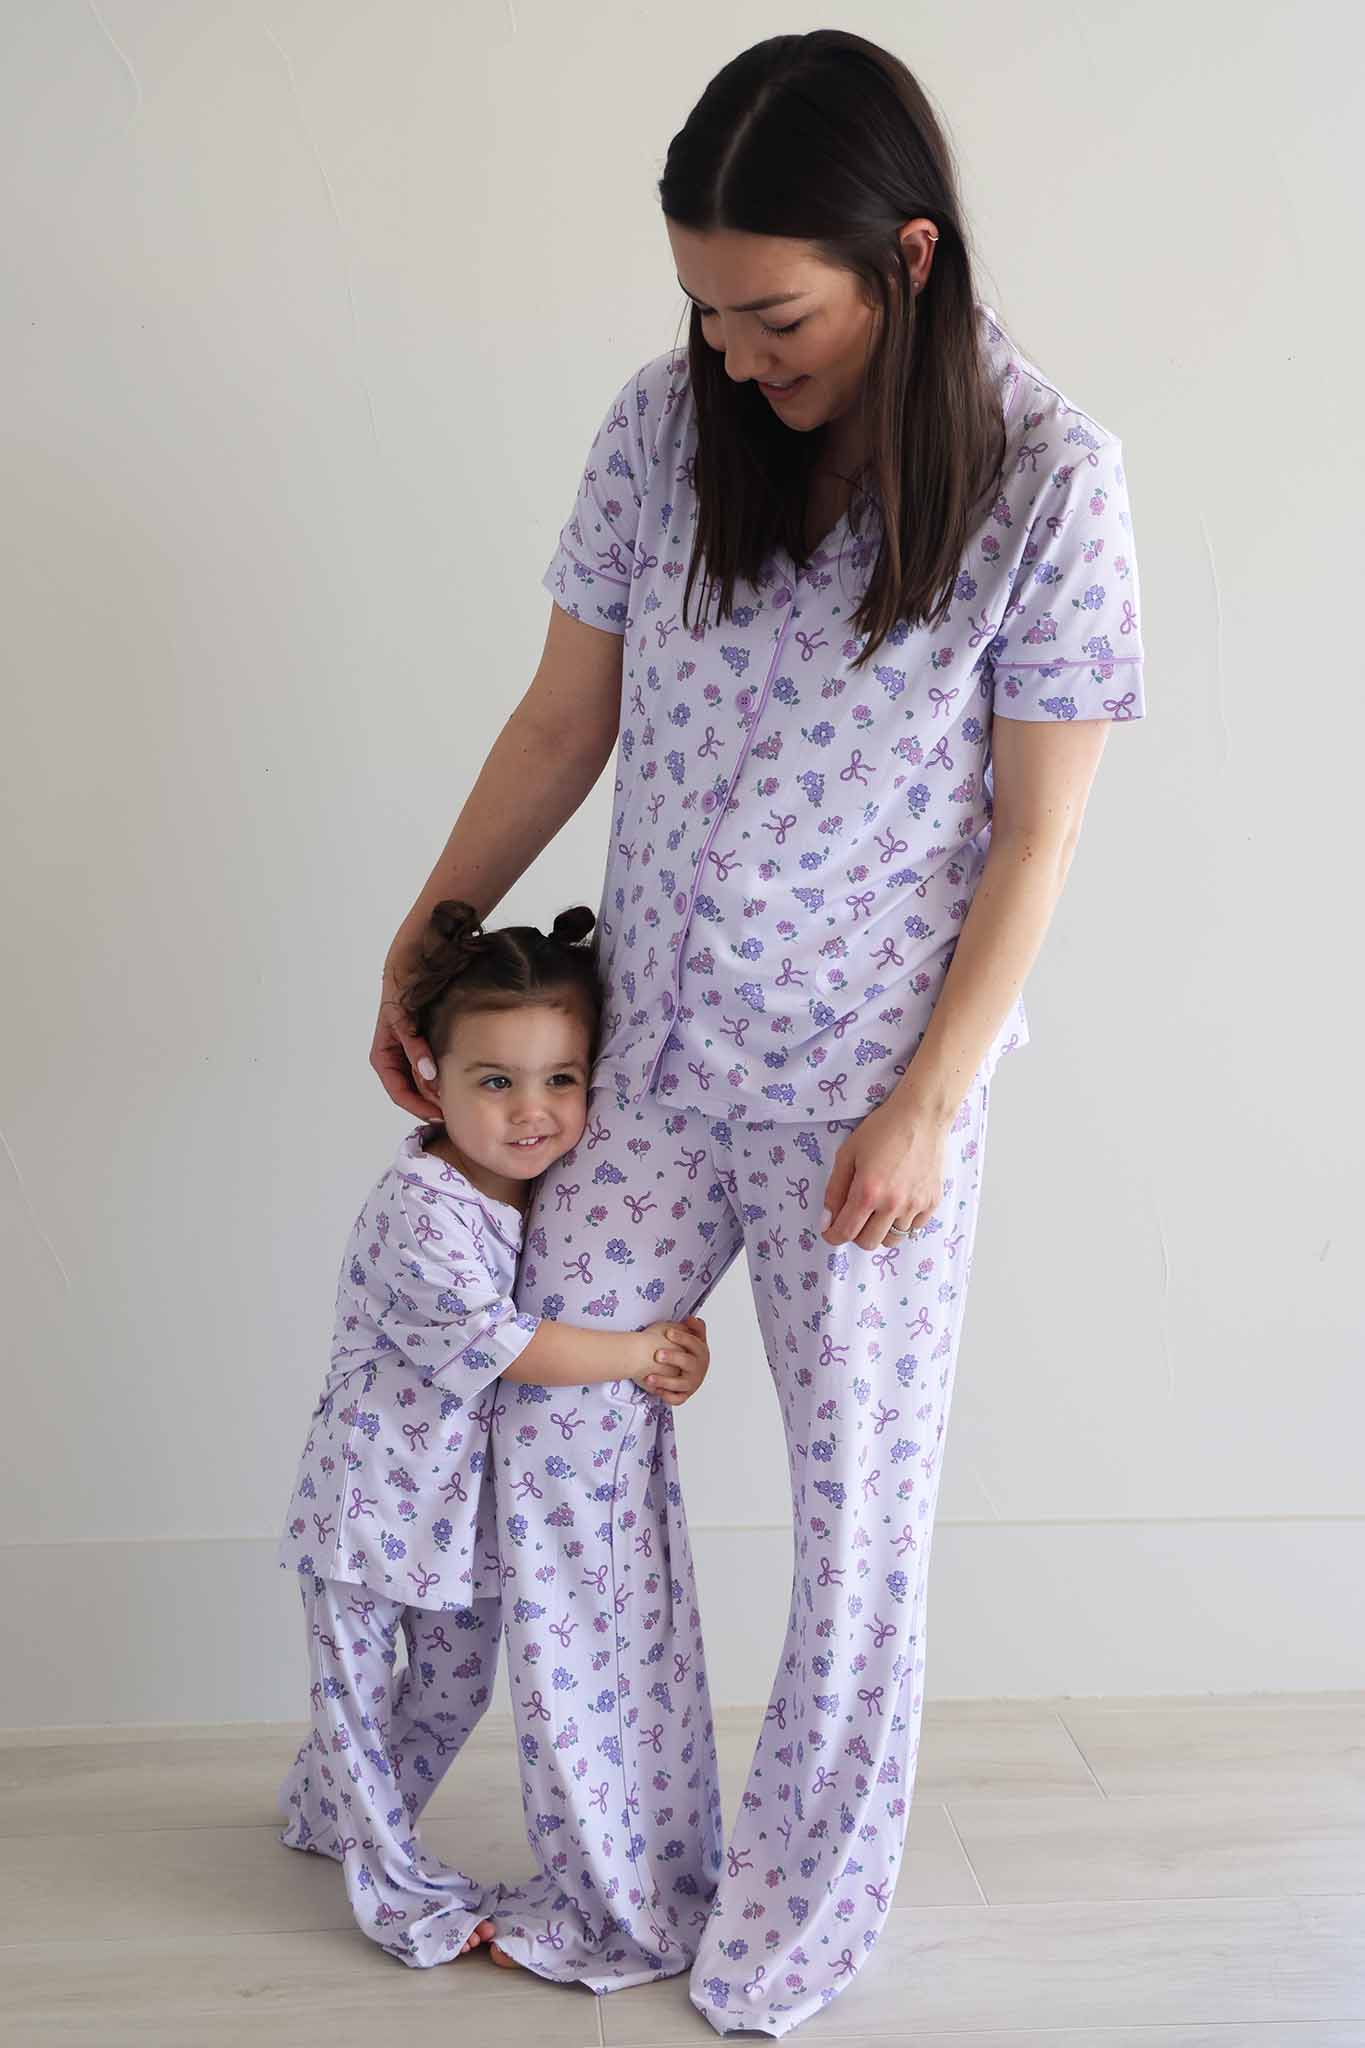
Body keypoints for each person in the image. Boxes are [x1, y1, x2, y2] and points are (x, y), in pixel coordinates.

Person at [371, 27, 1147, 2036]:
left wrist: (929, 1101)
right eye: (703, 309)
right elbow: (567, 715)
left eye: (771, 315)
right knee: (554, 1403)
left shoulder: (1050, 479)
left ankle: (797, 1914)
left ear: (905, 257)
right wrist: (435, 931)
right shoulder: (665, 427)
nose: (729, 353)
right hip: (645, 1056)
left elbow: (1040, 838)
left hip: (866, 1096)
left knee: (854, 1514)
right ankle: (626, 1880)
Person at [278, 898, 711, 1966]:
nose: (532, 1112)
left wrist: (672, 1353)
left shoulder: (547, 1199)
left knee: (450, 1689)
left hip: (461, 1513)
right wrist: (638, 1351)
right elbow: (504, 1344)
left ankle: (321, 1812)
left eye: (561, 1078)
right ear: (430, 1076)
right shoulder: (421, 1208)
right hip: (368, 1505)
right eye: (495, 1081)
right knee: (357, 1703)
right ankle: (398, 1893)